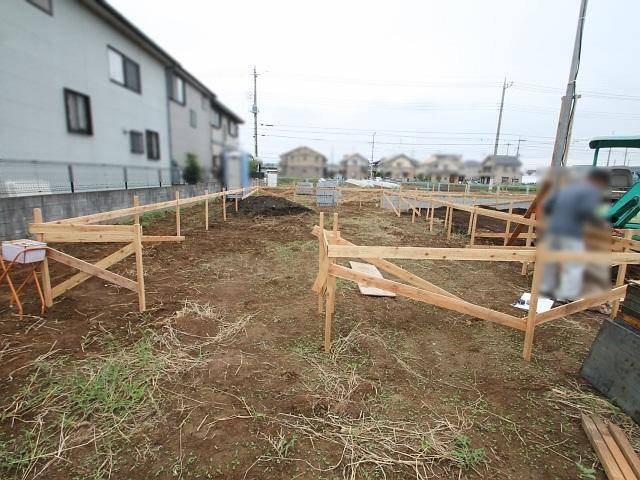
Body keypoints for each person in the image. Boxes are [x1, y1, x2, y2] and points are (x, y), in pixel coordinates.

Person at [540, 169, 610, 303]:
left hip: (553, 230)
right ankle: (565, 295)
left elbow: (548, 205)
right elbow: (586, 210)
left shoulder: (567, 189)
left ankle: (546, 290)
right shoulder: (592, 191)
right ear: (599, 182)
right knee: (574, 264)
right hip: (571, 233)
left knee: (550, 261)